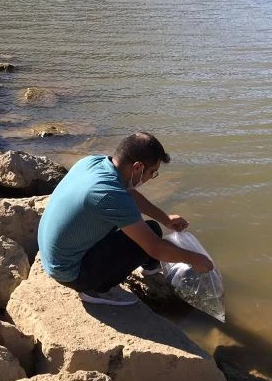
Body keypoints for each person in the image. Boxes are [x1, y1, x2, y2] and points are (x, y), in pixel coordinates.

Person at [37, 131, 214, 306]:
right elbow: (155, 247)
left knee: (146, 228)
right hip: (72, 274)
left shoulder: (93, 162)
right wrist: (195, 259)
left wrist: (165, 218)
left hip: (53, 259)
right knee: (150, 235)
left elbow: (129, 194)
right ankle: (95, 290)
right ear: (137, 167)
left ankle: (149, 266)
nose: (151, 178)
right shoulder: (110, 194)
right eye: (152, 172)